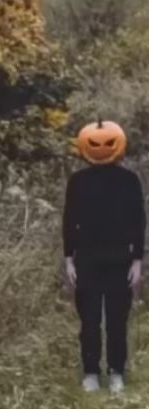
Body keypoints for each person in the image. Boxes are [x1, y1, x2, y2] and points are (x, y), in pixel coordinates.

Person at [63, 119, 145, 393]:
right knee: (88, 321)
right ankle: (90, 372)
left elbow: (138, 221)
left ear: (118, 145)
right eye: (94, 143)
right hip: (86, 259)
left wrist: (137, 261)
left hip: (119, 260)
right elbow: (69, 220)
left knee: (116, 321)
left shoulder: (129, 181)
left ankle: (116, 372)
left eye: (107, 142)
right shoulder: (77, 182)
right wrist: (68, 258)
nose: (100, 147)